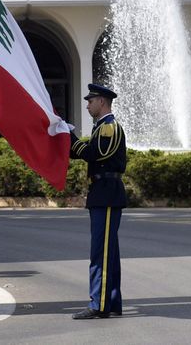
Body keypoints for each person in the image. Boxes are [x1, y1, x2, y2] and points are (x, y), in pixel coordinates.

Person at [69, 83, 127, 320]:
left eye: (90, 100)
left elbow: (95, 153)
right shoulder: (100, 128)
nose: (88, 104)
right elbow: (80, 152)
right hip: (103, 192)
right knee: (108, 252)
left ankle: (99, 304)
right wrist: (64, 135)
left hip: (107, 193)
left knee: (101, 253)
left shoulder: (109, 127)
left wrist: (70, 138)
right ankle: (111, 302)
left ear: (102, 101)